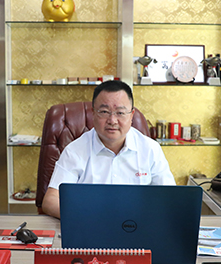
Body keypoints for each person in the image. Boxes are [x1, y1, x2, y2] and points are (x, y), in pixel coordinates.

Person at [42, 80, 175, 218]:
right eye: (104, 112)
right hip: (89, 223)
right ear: (93, 114)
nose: (112, 120)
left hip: (138, 224)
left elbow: (169, 198)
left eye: (120, 113)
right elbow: (51, 200)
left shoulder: (150, 149)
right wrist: (85, 218)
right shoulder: (75, 151)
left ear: (131, 115)